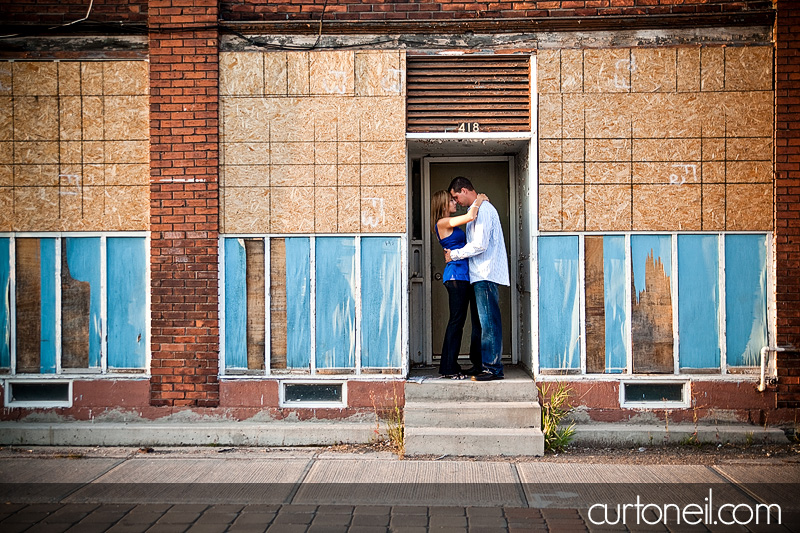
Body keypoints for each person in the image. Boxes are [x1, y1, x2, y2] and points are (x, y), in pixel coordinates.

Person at [444, 176, 510, 381]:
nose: (456, 202)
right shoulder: (475, 210)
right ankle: (480, 364)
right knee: (480, 324)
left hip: (485, 273)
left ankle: (493, 368)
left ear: (464, 190)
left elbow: (480, 245)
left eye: (456, 196)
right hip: (477, 275)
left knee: (489, 322)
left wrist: (453, 255)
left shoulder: (484, 210)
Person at [431, 189, 488, 379]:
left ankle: (451, 366)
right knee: (456, 322)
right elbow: (471, 216)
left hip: (463, 276)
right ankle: (449, 367)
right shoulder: (443, 222)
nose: (455, 203)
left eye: (455, 200)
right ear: (442, 204)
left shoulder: (447, 223)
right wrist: (479, 199)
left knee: (459, 322)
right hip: (456, 277)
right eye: (451, 201)